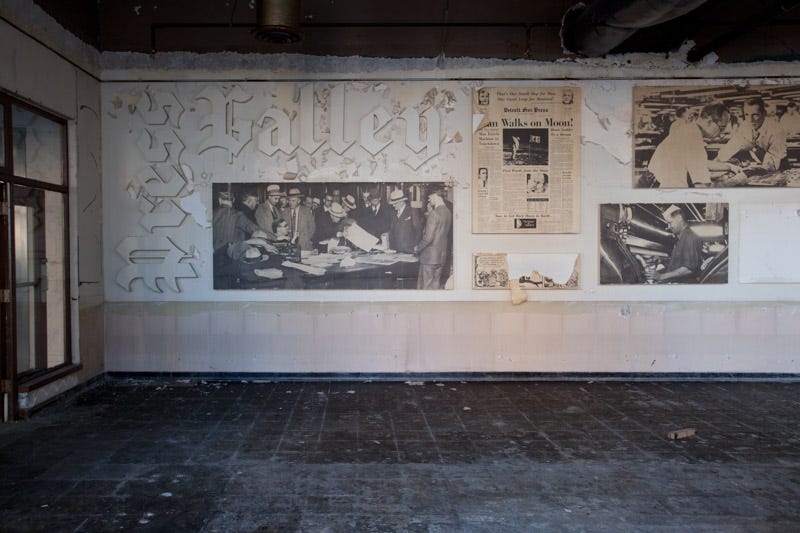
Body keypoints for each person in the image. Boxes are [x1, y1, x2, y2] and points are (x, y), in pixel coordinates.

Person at [646, 102, 740, 188]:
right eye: (722, 128)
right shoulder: (693, 138)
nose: (721, 134)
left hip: (652, 181)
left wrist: (729, 167)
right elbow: (701, 186)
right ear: (709, 120)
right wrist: (732, 182)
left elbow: (701, 162)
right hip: (661, 187)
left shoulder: (690, 130)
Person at [716, 97, 787, 171]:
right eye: (747, 115)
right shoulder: (745, 125)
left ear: (764, 114)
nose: (750, 120)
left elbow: (774, 165)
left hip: (778, 171)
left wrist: (753, 148)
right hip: (757, 168)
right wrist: (717, 161)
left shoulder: (777, 131)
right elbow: (731, 146)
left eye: (755, 115)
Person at [651, 205, 703, 283]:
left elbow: (688, 269)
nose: (669, 227)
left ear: (679, 218)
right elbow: (679, 262)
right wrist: (662, 260)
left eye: (670, 223)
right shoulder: (682, 236)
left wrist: (661, 276)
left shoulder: (689, 237)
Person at [415, 189, 451, 289]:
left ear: (435, 196)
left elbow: (428, 238)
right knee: (435, 287)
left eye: (429, 197)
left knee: (425, 288)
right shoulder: (448, 212)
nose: (428, 200)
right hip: (441, 257)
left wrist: (417, 248)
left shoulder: (434, 214)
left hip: (429, 258)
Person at [387, 189, 418, 253]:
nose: (393, 205)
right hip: (396, 250)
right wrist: (391, 247)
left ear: (401, 202)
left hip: (409, 249)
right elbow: (392, 231)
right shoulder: (393, 213)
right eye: (392, 203)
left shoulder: (412, 211)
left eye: (395, 203)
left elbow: (418, 230)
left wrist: (416, 246)